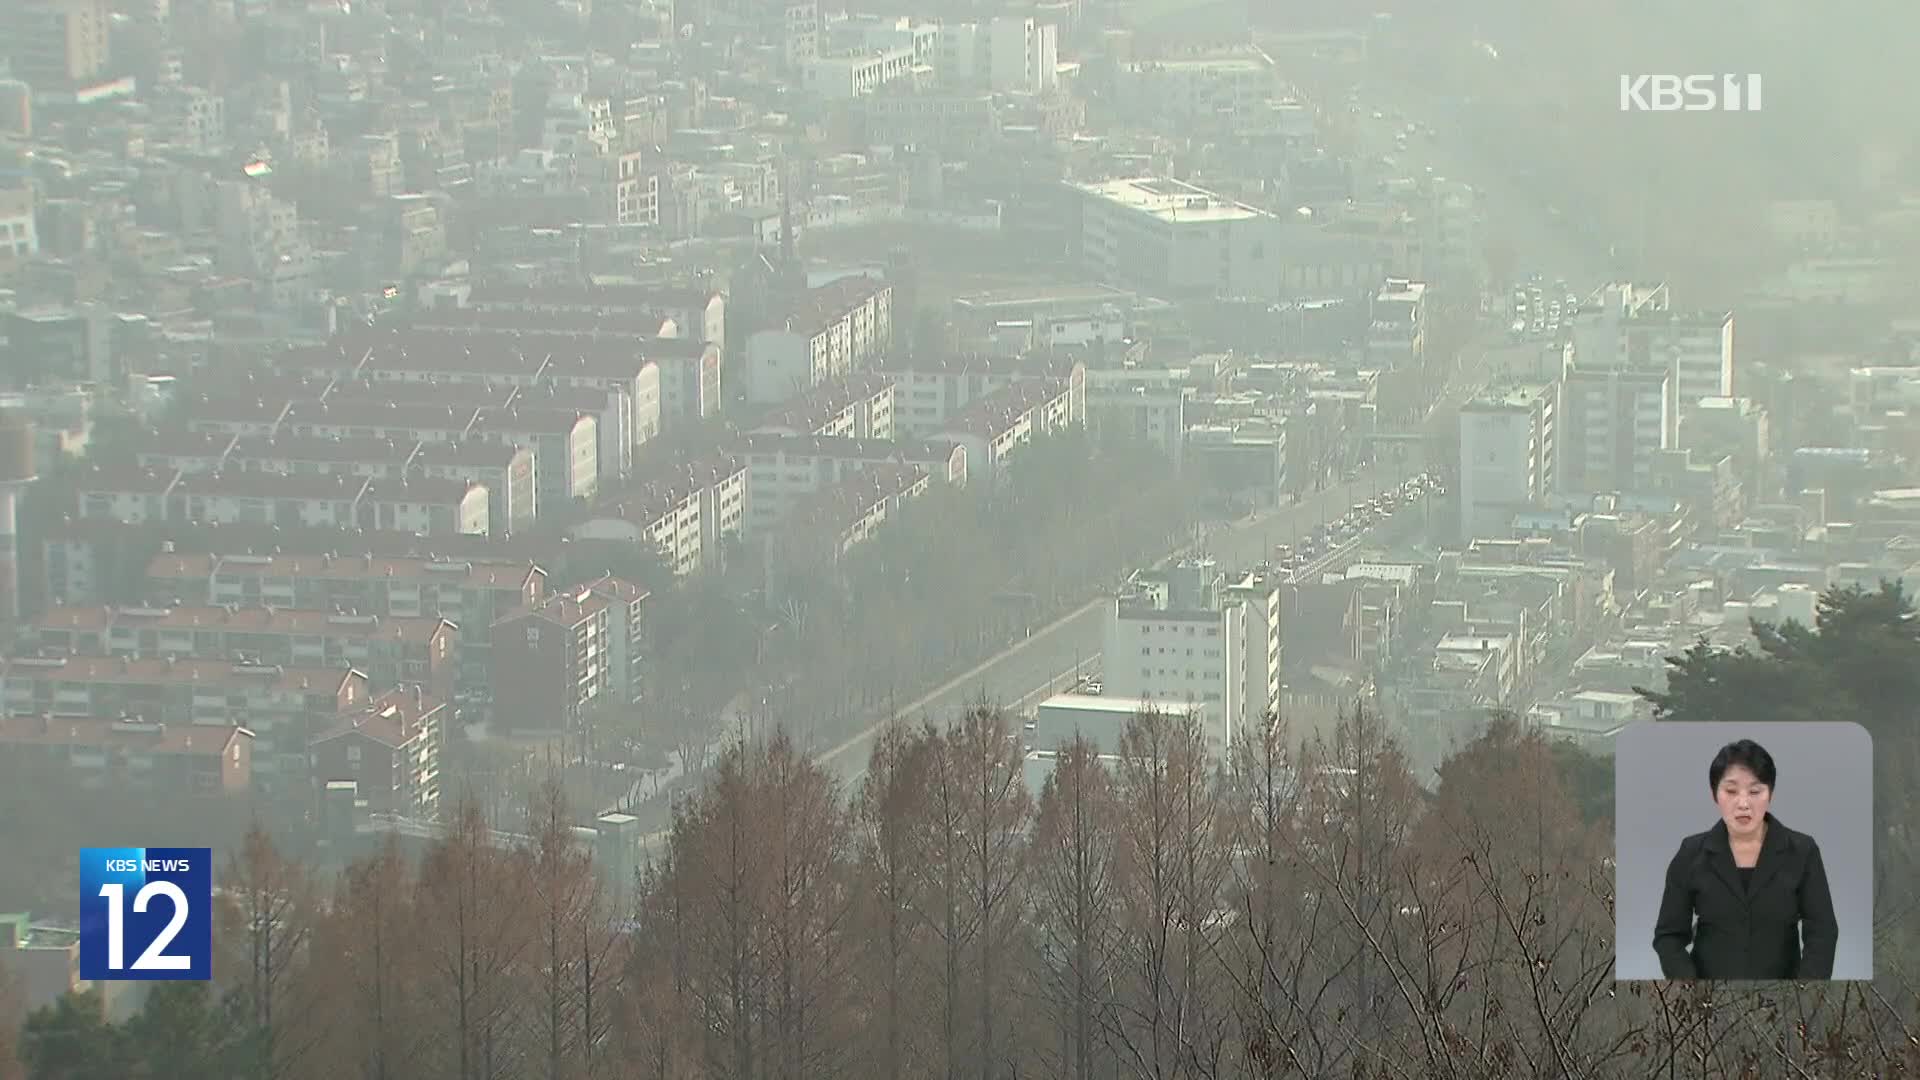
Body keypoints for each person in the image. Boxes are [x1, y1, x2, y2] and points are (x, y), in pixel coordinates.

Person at [1651, 739, 1839, 980]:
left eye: (1755, 791)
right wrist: (1691, 989)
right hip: (1708, 998)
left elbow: (1822, 932)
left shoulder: (1802, 851)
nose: (1743, 803)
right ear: (1714, 795)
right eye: (1731, 791)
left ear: (1770, 794)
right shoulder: (1691, 852)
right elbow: (1668, 937)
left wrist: (1805, 993)